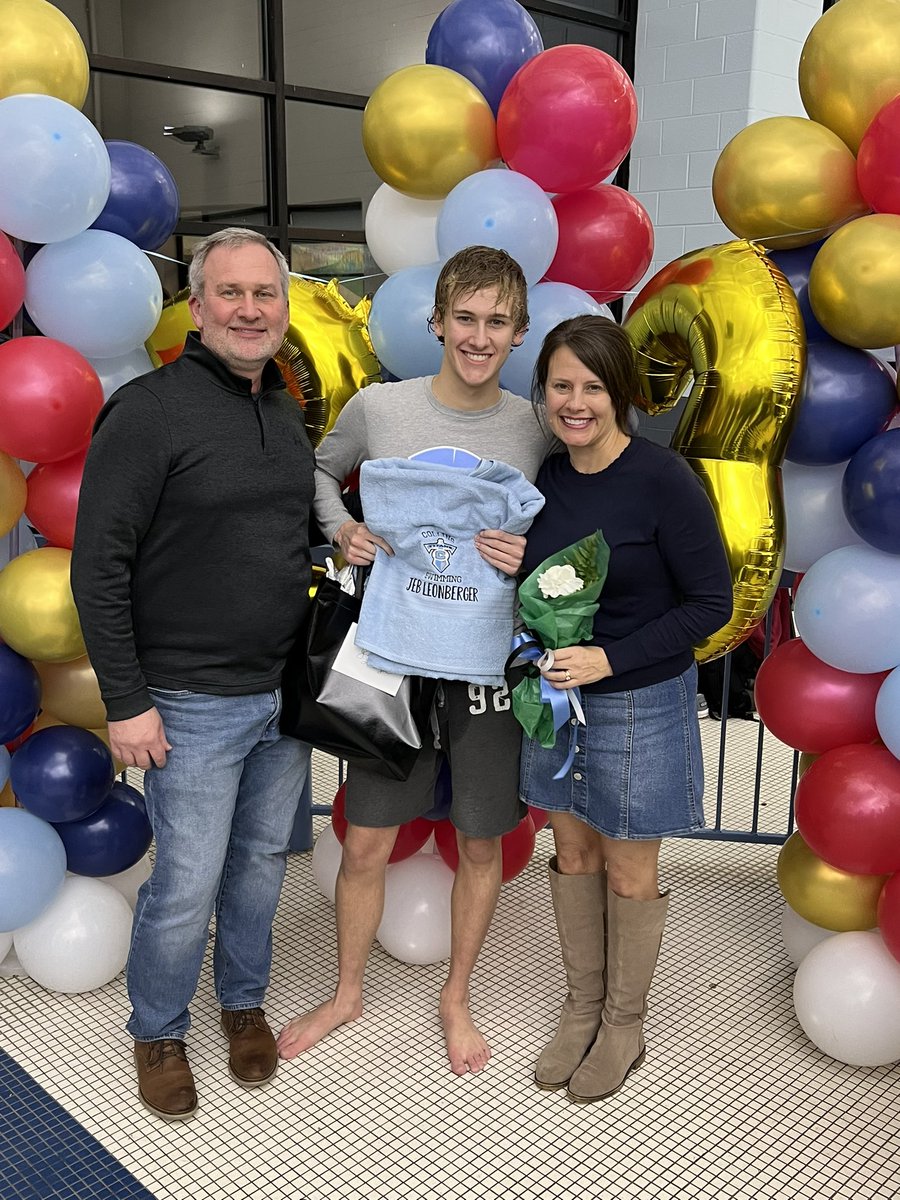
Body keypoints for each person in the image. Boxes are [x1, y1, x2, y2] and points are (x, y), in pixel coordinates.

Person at [277, 245, 550, 1075]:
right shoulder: (380, 408)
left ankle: (456, 997)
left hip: (487, 669)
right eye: (464, 317)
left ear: (519, 331)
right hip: (390, 657)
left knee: (480, 843)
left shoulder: (536, 427)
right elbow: (317, 468)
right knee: (365, 843)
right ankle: (346, 992)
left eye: (496, 321)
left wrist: (533, 554)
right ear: (436, 322)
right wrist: (341, 528)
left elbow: (568, 522)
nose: (479, 336)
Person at [71, 228, 316, 1121]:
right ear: (198, 306)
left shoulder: (284, 409)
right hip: (188, 700)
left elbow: (282, 534)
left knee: (260, 865)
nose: (250, 310)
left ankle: (241, 1002)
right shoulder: (147, 412)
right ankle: (159, 1029)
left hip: (284, 694)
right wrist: (127, 701)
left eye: (265, 294)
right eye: (231, 293)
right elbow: (97, 566)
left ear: (283, 307)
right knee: (186, 880)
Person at [519, 315, 732, 1103]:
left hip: (640, 702)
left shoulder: (662, 479)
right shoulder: (543, 479)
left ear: (622, 395)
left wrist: (610, 658)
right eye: (561, 386)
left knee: (630, 866)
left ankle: (623, 1023)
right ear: (543, 392)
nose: (575, 403)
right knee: (573, 854)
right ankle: (582, 1006)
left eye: (592, 387)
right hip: (557, 703)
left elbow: (711, 603)